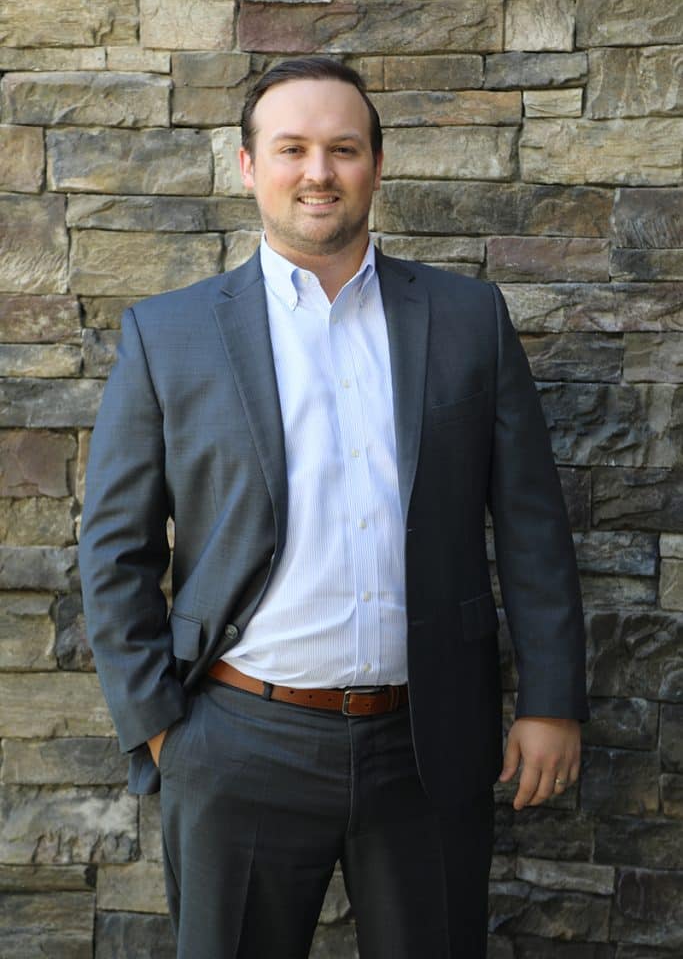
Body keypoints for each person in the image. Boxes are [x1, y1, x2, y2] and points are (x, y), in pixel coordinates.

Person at [80, 56, 588, 959]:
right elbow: (115, 550)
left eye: (342, 149)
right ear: (248, 167)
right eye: (293, 149)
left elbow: (531, 527)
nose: (318, 171)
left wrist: (550, 701)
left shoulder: (468, 318)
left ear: (376, 166)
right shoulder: (169, 333)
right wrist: (161, 730)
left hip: (424, 745)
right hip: (236, 741)